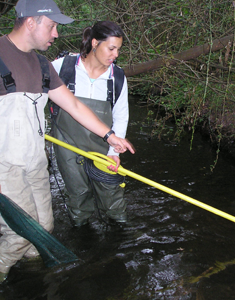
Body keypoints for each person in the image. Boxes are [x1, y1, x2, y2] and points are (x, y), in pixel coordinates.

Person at [0, 0, 135, 282]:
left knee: (43, 228)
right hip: (6, 166)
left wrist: (111, 137)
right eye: (52, 26)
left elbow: (73, 106)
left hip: (36, 162)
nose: (56, 34)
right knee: (20, 234)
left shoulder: (42, 64)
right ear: (31, 22)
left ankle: (30, 278)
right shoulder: (8, 56)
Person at [51, 21, 130, 227]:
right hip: (66, 142)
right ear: (95, 43)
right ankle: (81, 232)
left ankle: (120, 229)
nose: (116, 55)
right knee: (78, 193)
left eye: (118, 50)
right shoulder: (62, 68)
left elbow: (120, 116)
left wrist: (114, 151)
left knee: (112, 192)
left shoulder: (118, 77)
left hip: (103, 144)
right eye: (111, 48)